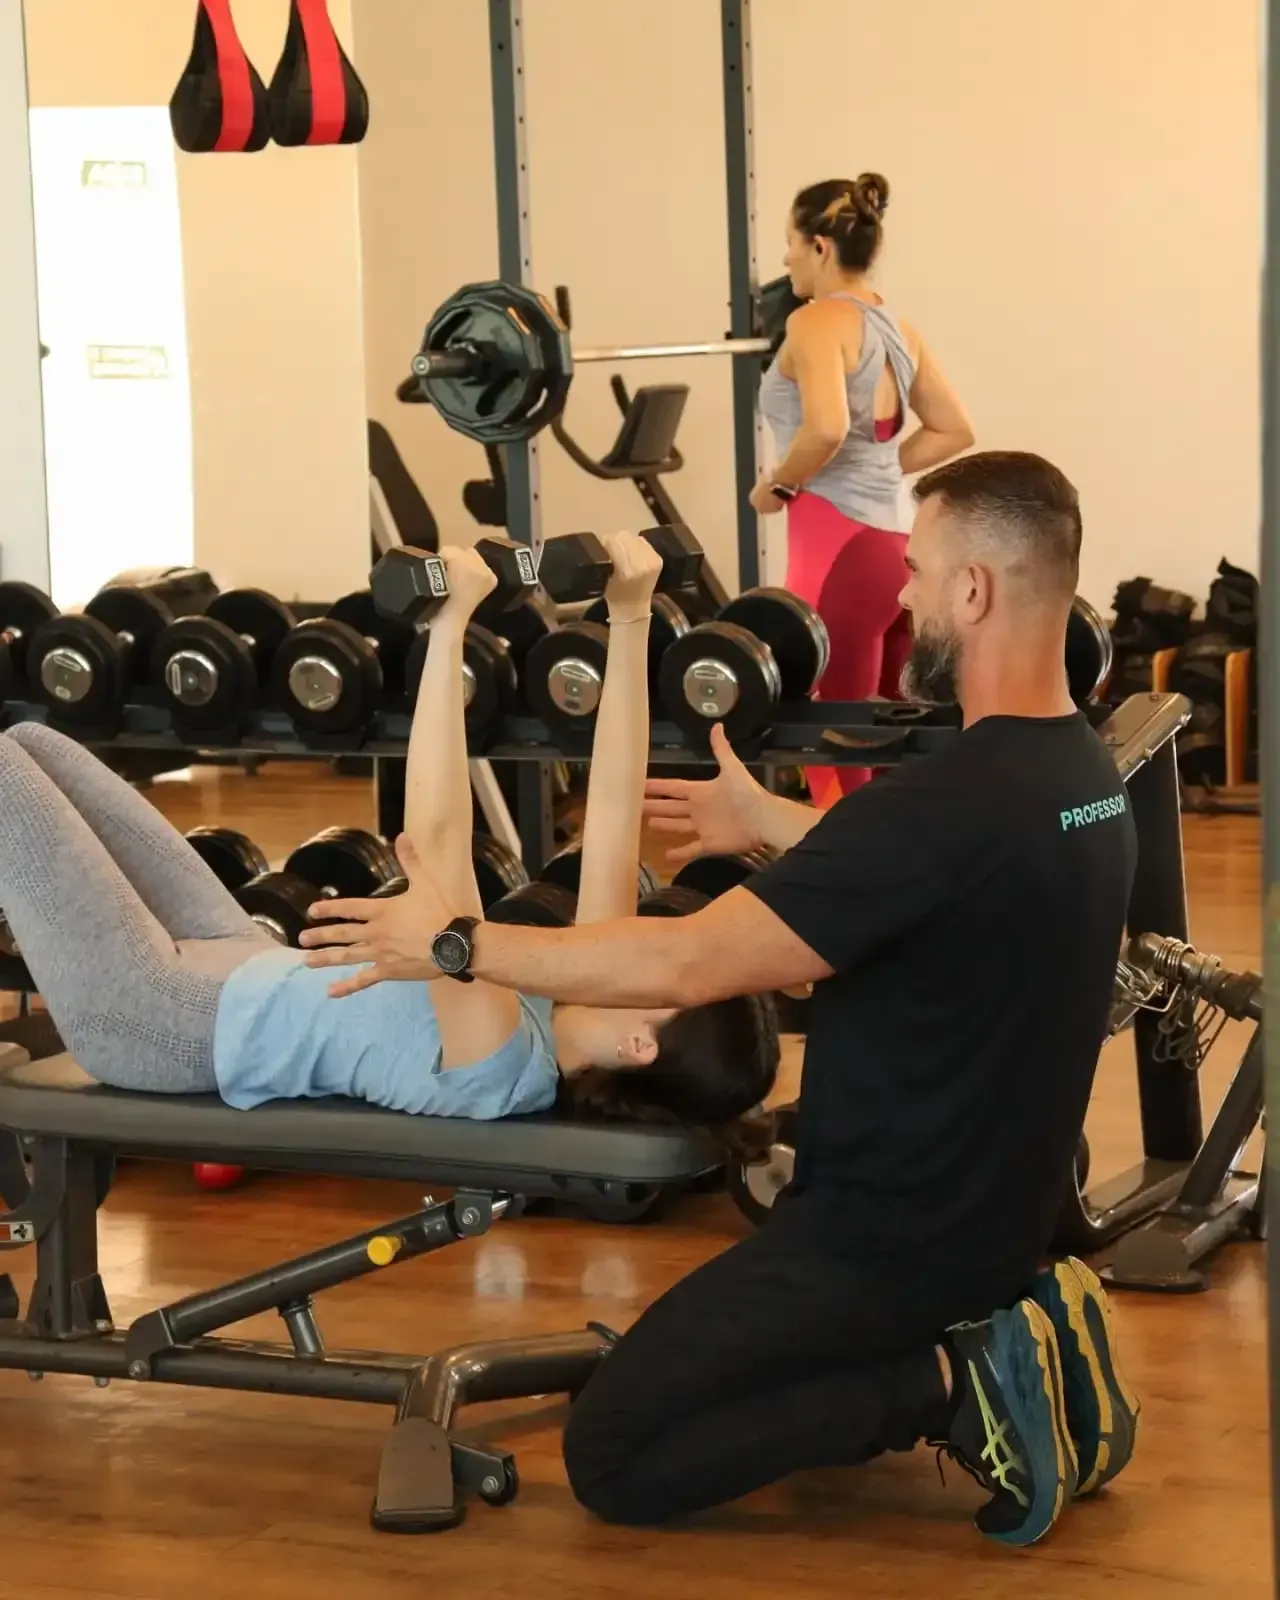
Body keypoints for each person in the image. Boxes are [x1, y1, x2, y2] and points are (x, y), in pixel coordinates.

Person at [301, 451, 1141, 1548]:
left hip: (876, 1246)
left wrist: (459, 942)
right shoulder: (1077, 779)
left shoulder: (942, 806)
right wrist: (774, 827)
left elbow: (686, 965)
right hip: (994, 1225)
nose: (902, 594)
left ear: (973, 592)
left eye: (919, 571)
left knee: (614, 1453)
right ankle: (1003, 1333)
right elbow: (940, 879)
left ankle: (954, 1385)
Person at [0, 532, 776, 1129]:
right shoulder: (574, 990)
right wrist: (632, 615)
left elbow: (440, 840)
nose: (648, 954)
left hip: (157, 1016)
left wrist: (448, 625)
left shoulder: (502, 1062)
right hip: (237, 958)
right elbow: (611, 818)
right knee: (35, 743)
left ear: (639, 1046)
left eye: (663, 985)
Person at [756, 174, 974, 804]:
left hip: (837, 559)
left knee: (830, 747)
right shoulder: (895, 328)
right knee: (899, 748)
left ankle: (852, 891)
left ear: (821, 247)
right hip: (895, 550)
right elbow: (953, 430)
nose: (786, 259)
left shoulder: (816, 322)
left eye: (791, 243)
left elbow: (826, 425)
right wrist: (876, 466)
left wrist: (779, 485)